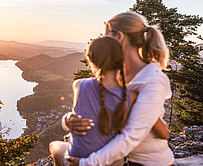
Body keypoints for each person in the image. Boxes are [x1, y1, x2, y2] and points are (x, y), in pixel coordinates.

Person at [63, 12, 174, 166]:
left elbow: (131, 136)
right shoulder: (115, 74)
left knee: (58, 150)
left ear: (119, 37)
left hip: (145, 162)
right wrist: (69, 120)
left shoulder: (154, 80)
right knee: (58, 147)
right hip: (114, 157)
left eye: (105, 37)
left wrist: (86, 163)